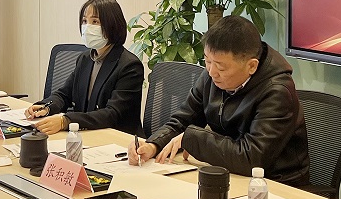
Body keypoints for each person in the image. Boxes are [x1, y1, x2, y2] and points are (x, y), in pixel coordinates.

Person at [129, 16, 310, 186]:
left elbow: (252, 158)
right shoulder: (211, 76)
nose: (212, 72)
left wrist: (194, 139)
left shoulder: (277, 91)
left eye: (221, 68)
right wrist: (153, 144)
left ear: (251, 66)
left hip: (275, 185)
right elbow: (183, 121)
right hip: (229, 173)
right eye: (207, 61)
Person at [24, 0, 143, 135]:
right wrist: (46, 107)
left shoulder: (129, 66)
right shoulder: (85, 59)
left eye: (95, 21)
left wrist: (66, 121)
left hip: (118, 139)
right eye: (84, 21)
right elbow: (64, 94)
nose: (87, 27)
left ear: (112, 25)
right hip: (86, 134)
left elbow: (112, 114)